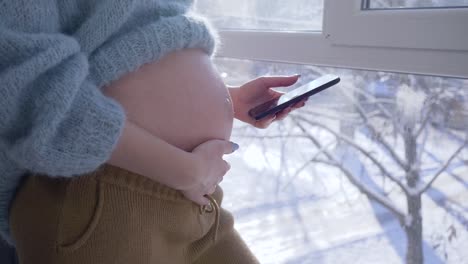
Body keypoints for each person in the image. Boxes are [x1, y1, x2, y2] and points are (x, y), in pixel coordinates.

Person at [0, 0, 306, 263]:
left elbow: (125, 40)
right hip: (101, 201)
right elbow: (23, 89)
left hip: (196, 197)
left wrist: (228, 99)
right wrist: (183, 170)